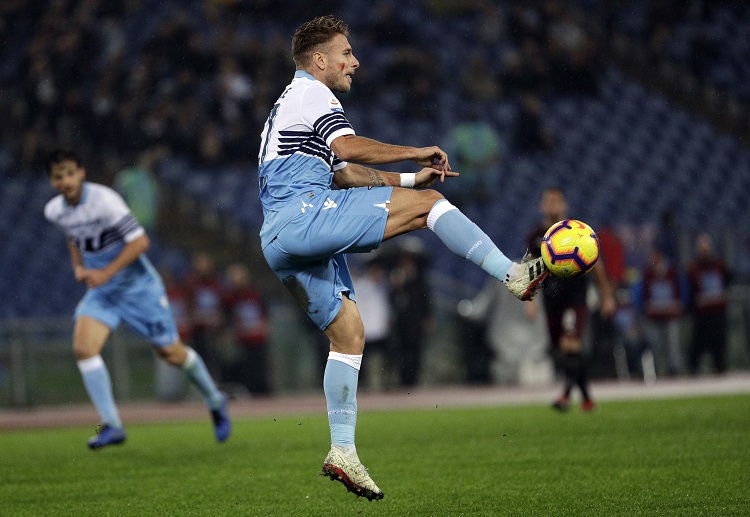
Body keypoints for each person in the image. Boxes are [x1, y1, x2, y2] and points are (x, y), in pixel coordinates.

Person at [258, 16, 548, 501]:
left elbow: (346, 173)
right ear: (318, 60)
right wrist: (416, 151)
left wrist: (412, 181)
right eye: (345, 53)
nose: (355, 62)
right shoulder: (312, 92)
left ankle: (342, 451)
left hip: (279, 237)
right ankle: (513, 274)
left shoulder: (287, 105)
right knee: (433, 211)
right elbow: (348, 146)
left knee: (349, 334)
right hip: (304, 216)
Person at [44, 149, 230, 449]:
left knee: (171, 353)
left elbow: (140, 241)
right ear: (51, 181)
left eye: (69, 173)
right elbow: (72, 235)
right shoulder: (55, 210)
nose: (65, 180)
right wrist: (79, 266)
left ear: (81, 172)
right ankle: (113, 425)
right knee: (84, 348)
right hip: (103, 293)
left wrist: (105, 271)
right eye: (57, 176)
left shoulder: (104, 201)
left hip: (138, 289)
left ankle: (214, 397)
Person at [525, 186, 616, 413]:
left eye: (557, 201)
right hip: (551, 298)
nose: (552, 205)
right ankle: (586, 398)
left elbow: (597, 265)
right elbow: (531, 270)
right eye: (549, 201)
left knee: (570, 344)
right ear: (542, 206)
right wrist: (530, 300)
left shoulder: (578, 232)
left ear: (564, 205)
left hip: (576, 297)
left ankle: (565, 396)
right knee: (562, 350)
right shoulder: (535, 236)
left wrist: (606, 296)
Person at [221, 263, 270, 395]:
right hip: (241, 341)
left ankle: (262, 394)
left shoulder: (256, 294)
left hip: (257, 339)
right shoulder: (229, 298)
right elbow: (227, 318)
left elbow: (265, 315)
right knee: (244, 371)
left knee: (260, 370)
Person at [686, 233, 729, 375]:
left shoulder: (719, 265)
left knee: (719, 345)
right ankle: (694, 371)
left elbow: (727, 280)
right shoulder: (694, 268)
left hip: (717, 313)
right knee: (698, 345)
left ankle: (720, 370)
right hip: (702, 314)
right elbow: (691, 290)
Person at [641, 246, 685, 376]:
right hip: (654, 316)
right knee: (656, 345)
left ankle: (674, 369)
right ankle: (657, 370)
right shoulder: (648, 274)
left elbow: (678, 291)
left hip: (670, 314)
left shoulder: (671, 273)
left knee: (672, 344)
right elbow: (645, 295)